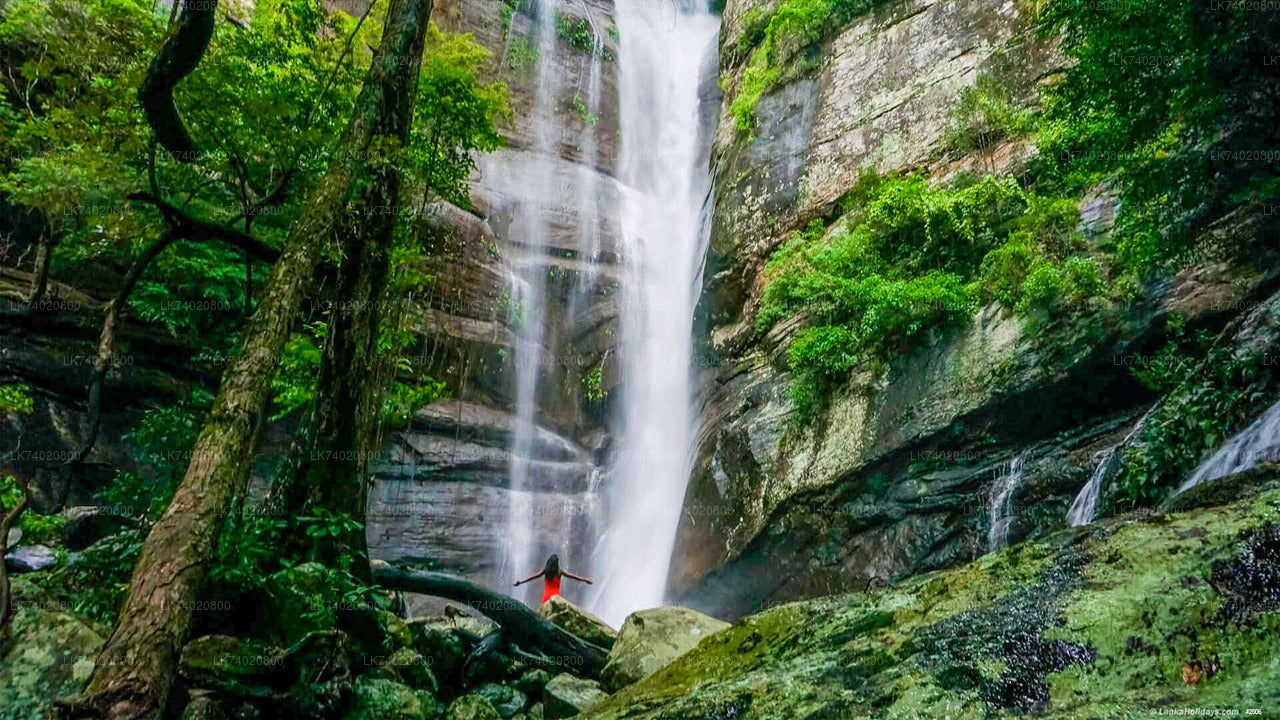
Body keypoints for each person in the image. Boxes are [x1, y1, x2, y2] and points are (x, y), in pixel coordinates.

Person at [514, 553, 592, 603]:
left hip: (546, 596)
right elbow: (573, 577)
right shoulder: (560, 571)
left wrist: (520, 582)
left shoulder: (545, 571)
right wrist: (585, 580)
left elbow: (532, 577)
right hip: (556, 597)